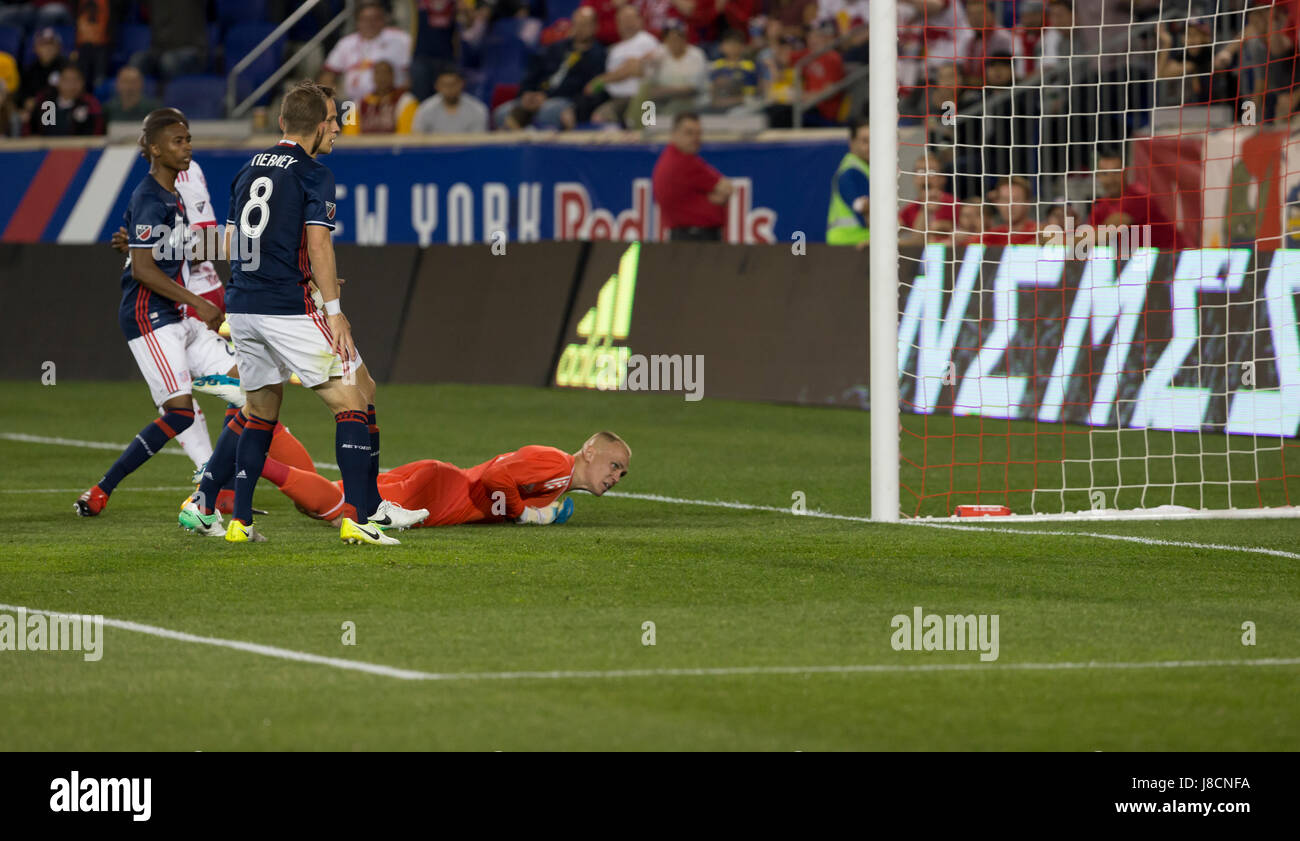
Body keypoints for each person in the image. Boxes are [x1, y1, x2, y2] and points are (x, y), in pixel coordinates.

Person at [183, 81, 426, 546]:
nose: (338, 128)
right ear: (316, 126)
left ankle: (242, 522)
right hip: (286, 309)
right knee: (351, 400)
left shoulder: (246, 169)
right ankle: (359, 518)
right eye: (334, 120)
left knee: (261, 411)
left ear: (280, 123)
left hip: (245, 306)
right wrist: (333, 310)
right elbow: (319, 242)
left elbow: (233, 244)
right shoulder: (314, 173)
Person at [74, 109, 235, 518]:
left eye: (189, 139)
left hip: (177, 313)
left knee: (248, 389)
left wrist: (135, 247)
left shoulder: (173, 195)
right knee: (180, 413)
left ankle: (221, 486)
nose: (188, 147)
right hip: (150, 318)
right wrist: (199, 301)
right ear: (155, 149)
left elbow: (163, 253)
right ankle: (102, 490)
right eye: (179, 141)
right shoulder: (150, 196)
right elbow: (145, 271)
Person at [263, 431, 631, 528]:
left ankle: (266, 427)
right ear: (589, 451)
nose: (616, 476)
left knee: (321, 501)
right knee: (338, 510)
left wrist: (545, 513)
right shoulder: (557, 465)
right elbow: (495, 476)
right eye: (614, 465)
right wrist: (524, 515)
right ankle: (252, 458)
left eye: (622, 472)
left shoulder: (560, 479)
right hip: (439, 495)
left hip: (437, 482)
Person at [493, 7, 606, 130]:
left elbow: (590, 91)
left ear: (595, 27)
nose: (579, 29)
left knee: (547, 112)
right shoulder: (555, 48)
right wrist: (527, 94)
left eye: (584, 25)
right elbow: (533, 74)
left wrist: (572, 108)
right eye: (576, 24)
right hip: (537, 97)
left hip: (565, 101)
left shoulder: (599, 55)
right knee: (501, 113)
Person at [651, 111, 732, 241]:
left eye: (698, 133)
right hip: (696, 238)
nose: (695, 138)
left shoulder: (669, 157)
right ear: (674, 134)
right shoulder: (684, 162)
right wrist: (709, 199)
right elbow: (727, 188)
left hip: (684, 236)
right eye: (689, 133)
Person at [319, 0, 412, 103]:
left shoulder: (401, 39)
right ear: (357, 21)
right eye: (365, 19)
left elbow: (410, 76)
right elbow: (328, 75)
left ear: (384, 19)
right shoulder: (346, 43)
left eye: (375, 19)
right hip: (353, 104)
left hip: (390, 101)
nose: (370, 23)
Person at [585, 5, 661, 127]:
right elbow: (629, 69)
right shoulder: (615, 49)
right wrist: (626, 69)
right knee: (598, 118)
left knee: (644, 122)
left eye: (630, 19)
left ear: (640, 21)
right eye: (623, 20)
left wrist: (602, 80)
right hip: (618, 99)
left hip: (645, 98)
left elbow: (637, 69)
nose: (627, 24)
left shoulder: (647, 41)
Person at [1087, 148, 1177, 250]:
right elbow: (1090, 236)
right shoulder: (1101, 207)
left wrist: (1067, 240)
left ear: (1126, 172)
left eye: (1116, 172)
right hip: (1140, 260)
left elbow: (1104, 234)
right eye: (1105, 174)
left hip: (1173, 257)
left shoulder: (1138, 196)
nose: (1110, 180)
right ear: (1097, 176)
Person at [128, 0, 207, 80]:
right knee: (136, 60)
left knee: (168, 61)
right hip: (160, 50)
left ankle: (169, 91)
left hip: (191, 50)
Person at [341, 59, 418, 134]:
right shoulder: (359, 104)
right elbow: (349, 136)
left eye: (385, 73)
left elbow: (406, 137)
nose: (382, 77)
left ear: (393, 76)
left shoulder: (405, 101)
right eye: (378, 73)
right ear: (373, 77)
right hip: (363, 146)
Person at [826, 116, 869, 246]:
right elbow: (860, 206)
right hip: (850, 244)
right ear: (852, 143)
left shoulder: (866, 169)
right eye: (865, 141)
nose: (870, 146)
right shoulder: (851, 171)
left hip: (855, 242)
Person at [28, 63, 103, 135]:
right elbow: (35, 131)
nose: (71, 85)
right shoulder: (46, 102)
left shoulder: (91, 105)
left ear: (82, 83)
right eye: (66, 80)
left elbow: (95, 134)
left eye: (75, 80)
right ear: (58, 82)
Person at [411, 66, 488, 133]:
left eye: (453, 84)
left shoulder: (478, 110)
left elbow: (478, 144)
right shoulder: (425, 110)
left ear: (462, 84)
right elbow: (418, 141)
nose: (449, 89)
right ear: (437, 86)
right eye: (445, 85)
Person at [982, 175, 1038, 245]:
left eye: (1016, 199)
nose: (1010, 205)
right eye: (1005, 199)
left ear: (1028, 203)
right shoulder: (988, 237)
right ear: (997, 203)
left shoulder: (1041, 234)